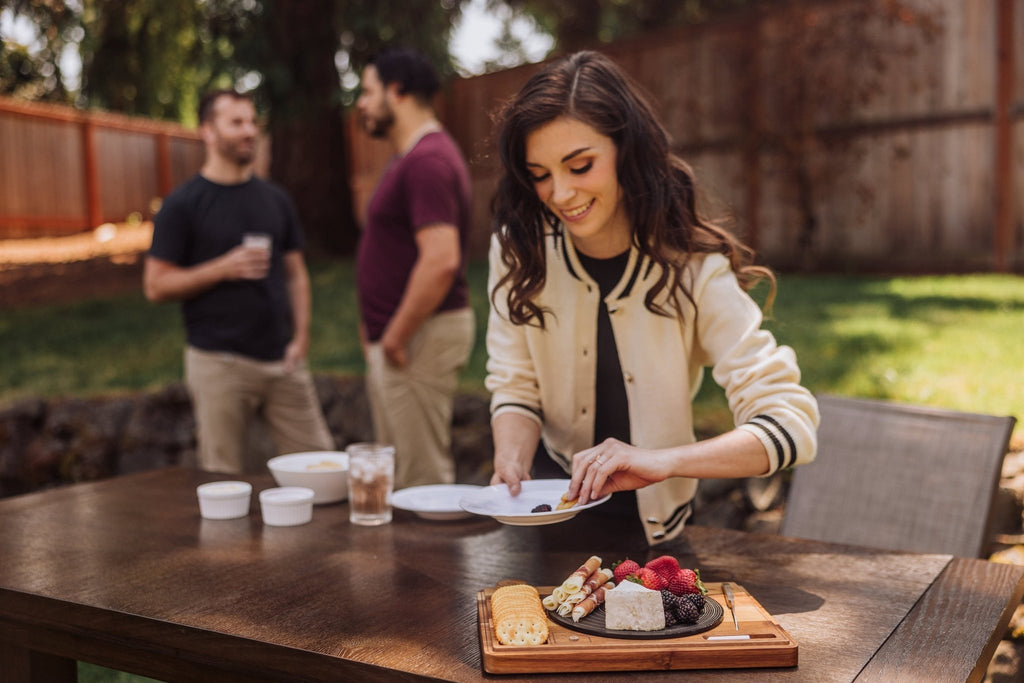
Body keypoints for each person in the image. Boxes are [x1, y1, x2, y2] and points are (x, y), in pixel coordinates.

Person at [486, 51, 819, 545]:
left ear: (627, 150)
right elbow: (516, 386)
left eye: (580, 166)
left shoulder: (693, 267)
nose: (559, 193)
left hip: (653, 541)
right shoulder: (520, 250)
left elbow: (791, 424)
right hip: (542, 520)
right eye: (540, 174)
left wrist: (662, 461)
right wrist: (511, 462)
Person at [144, 88, 334, 474]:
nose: (249, 131)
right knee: (224, 482)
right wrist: (223, 268)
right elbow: (156, 285)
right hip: (219, 363)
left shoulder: (275, 199)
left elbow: (296, 274)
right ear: (208, 132)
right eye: (236, 123)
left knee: (324, 471)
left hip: (282, 362)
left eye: (252, 122)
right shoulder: (183, 205)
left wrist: (300, 338)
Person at [354, 47, 475, 489]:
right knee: (402, 477)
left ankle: (431, 561)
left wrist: (396, 334)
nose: (361, 104)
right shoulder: (411, 157)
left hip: (418, 336)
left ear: (397, 91)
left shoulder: (427, 162)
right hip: (405, 338)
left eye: (368, 92)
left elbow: (441, 260)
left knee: (421, 478)